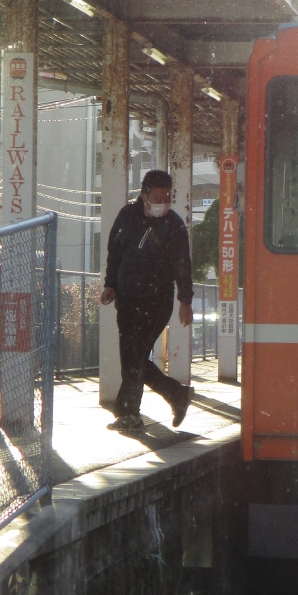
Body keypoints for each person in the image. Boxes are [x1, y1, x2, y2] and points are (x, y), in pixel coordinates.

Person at [99, 170, 194, 431]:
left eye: (168, 197)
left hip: (157, 300)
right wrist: (110, 285)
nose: (163, 203)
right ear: (144, 195)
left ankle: (130, 413)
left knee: (135, 355)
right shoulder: (127, 216)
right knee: (132, 356)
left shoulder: (174, 225)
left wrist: (185, 301)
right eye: (158, 198)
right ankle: (175, 395)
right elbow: (114, 252)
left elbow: (182, 264)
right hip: (127, 298)